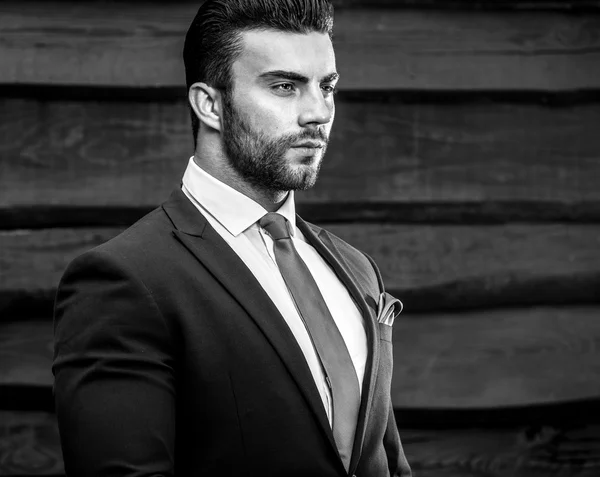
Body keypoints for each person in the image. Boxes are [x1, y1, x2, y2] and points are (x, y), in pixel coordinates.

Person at [52, 0, 411, 475]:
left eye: (327, 87)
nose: (317, 113)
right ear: (210, 104)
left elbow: (384, 462)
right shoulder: (126, 278)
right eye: (285, 87)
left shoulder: (354, 267)